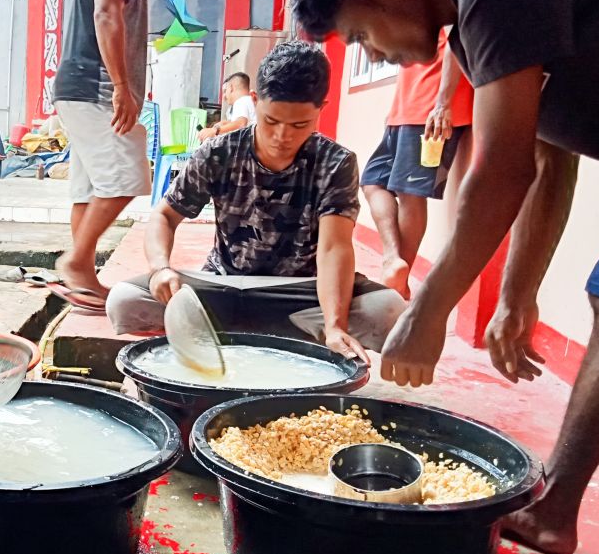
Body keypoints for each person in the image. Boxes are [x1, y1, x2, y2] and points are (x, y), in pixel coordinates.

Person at [290, 0, 599, 554]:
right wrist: (515, 295)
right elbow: (549, 159)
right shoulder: (481, 7)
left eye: (361, 38)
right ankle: (555, 510)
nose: (375, 56)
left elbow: (498, 168)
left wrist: (428, 311)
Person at [107, 41, 406, 358]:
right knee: (124, 301)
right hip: (223, 285)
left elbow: (334, 248)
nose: (283, 136)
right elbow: (163, 217)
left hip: (301, 293)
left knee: (388, 309)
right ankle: (271, 334)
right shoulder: (219, 152)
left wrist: (334, 324)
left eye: (299, 125)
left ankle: (242, 332)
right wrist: (160, 269)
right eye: (271, 121)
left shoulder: (335, 162)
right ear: (255, 101)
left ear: (322, 109)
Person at [52, 0, 186, 309]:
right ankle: (75, 262)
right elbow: (106, 13)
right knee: (129, 177)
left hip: (79, 84)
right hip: (95, 85)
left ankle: (82, 279)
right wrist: (122, 88)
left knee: (90, 187)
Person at [360, 0, 475, 299]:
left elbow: (460, 42)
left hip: (433, 108)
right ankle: (394, 258)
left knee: (411, 193)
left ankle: (398, 285)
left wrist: (443, 104)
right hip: (404, 109)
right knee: (372, 180)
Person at [198, 72, 256, 141]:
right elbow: (243, 122)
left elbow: (241, 123)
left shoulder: (240, 101)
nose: (224, 97)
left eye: (225, 91)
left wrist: (215, 131)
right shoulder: (250, 100)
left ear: (231, 88)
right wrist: (225, 123)